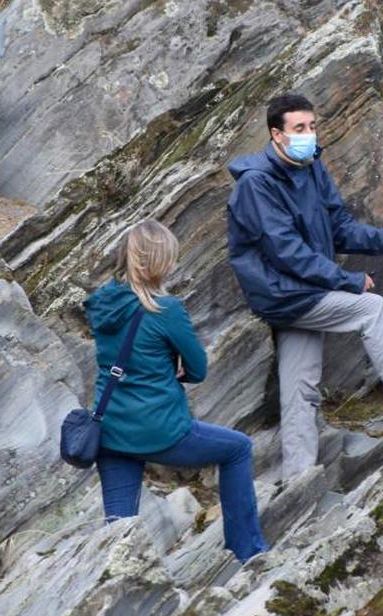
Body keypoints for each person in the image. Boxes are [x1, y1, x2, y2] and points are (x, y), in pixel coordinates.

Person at [225, 93, 383, 481]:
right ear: (276, 135)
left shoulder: (312, 166)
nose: (309, 134)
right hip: (285, 292)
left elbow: (340, 228)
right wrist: (347, 281)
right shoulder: (256, 185)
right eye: (299, 128)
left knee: (299, 387)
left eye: (312, 126)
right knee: (371, 307)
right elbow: (287, 253)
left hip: (299, 291)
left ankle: (298, 479)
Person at [83, 219, 267, 562]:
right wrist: (171, 369)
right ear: (160, 263)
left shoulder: (102, 305)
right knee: (238, 449)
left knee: (118, 530)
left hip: (110, 430)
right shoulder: (166, 310)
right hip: (160, 429)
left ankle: (112, 584)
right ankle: (248, 551)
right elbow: (197, 368)